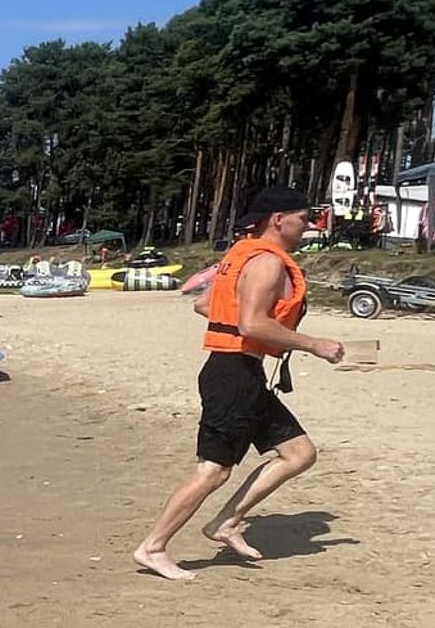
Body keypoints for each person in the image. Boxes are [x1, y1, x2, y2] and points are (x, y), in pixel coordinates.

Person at [132, 186, 345, 581]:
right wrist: (314, 344)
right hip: (232, 376)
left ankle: (226, 522)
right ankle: (153, 546)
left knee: (299, 453)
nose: (309, 225)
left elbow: (203, 305)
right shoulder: (266, 263)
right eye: (303, 217)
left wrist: (241, 328)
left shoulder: (240, 257)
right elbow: (252, 324)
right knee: (213, 470)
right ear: (278, 219)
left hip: (241, 373)